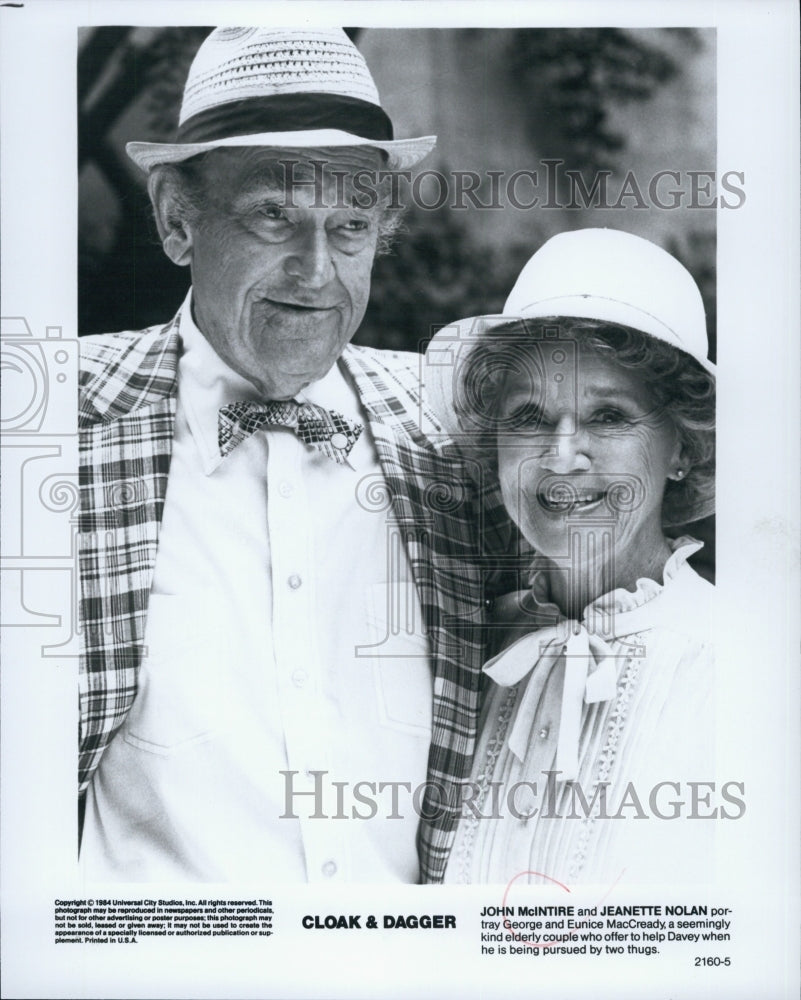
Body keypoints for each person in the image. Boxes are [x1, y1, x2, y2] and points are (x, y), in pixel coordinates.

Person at [77, 27, 514, 883]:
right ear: (176, 219)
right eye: (273, 214)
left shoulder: (453, 429)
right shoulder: (55, 426)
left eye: (349, 226)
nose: (316, 271)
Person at [424, 228, 717, 884]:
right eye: (529, 418)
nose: (561, 456)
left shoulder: (746, 668)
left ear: (681, 448)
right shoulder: (462, 657)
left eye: (608, 417)